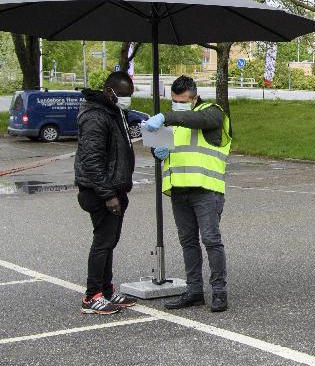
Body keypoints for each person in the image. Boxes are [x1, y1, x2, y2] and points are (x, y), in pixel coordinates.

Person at [144, 76, 232, 312]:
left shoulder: (212, 112)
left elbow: (197, 120)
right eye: (174, 101)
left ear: (195, 98)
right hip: (179, 189)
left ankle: (219, 292)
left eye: (182, 101)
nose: (177, 105)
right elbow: (163, 147)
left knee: (211, 240)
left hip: (206, 189)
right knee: (188, 243)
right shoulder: (172, 120)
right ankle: (194, 291)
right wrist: (158, 151)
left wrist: (166, 116)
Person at [75, 71, 139, 314]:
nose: (126, 99)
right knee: (103, 243)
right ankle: (92, 296)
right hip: (100, 192)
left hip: (114, 189)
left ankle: (106, 290)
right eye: (123, 94)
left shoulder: (114, 112)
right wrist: (108, 195)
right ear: (108, 91)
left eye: (129, 95)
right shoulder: (95, 116)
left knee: (109, 242)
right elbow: (92, 160)